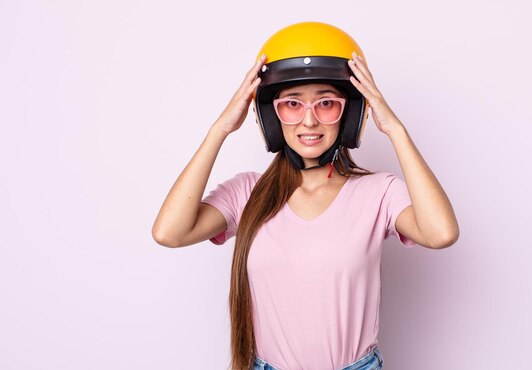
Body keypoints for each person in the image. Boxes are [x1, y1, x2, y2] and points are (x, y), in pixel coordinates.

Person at [152, 22, 459, 370]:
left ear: (352, 112)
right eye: (292, 104)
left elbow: (441, 233)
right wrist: (219, 130)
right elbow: (169, 233)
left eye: (326, 103)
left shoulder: (379, 192)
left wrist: (395, 129)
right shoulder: (247, 193)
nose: (309, 121)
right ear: (271, 116)